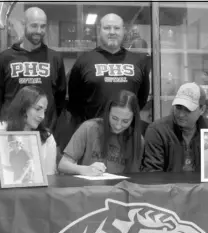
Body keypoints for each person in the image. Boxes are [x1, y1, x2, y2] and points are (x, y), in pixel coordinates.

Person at [62, 13, 150, 150]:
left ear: (123, 31)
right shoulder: (84, 60)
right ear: (99, 31)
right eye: (107, 28)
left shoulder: (138, 62)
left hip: (127, 136)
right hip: (93, 136)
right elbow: (75, 102)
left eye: (116, 28)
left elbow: (141, 99)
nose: (112, 32)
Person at [0, 7, 67, 132]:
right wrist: (10, 118)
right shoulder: (6, 57)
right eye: (34, 26)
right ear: (23, 24)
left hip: (43, 130)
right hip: (12, 130)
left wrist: (49, 122)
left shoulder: (54, 58)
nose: (39, 30)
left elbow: (60, 96)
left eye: (43, 26)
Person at [58, 90, 143, 176]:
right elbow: (63, 165)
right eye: (114, 118)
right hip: (88, 187)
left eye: (125, 121)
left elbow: (134, 176)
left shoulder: (137, 139)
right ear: (108, 113)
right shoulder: (89, 128)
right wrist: (84, 169)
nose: (118, 126)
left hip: (120, 188)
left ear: (133, 119)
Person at [141, 82, 208, 173]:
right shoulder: (157, 130)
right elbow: (153, 174)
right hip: (167, 187)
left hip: (203, 187)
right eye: (178, 107)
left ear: (202, 109)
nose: (181, 114)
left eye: (188, 110)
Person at [0, 86, 58, 177]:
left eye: (44, 111)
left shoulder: (47, 138)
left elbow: (49, 177)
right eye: (38, 109)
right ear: (23, 107)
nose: (42, 116)